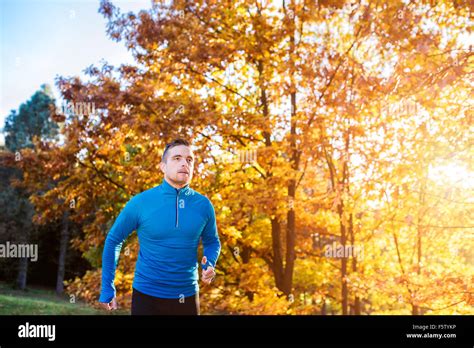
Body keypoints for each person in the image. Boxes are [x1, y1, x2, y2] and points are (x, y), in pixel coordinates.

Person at [98, 138, 221, 315]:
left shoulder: (203, 205)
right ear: (162, 166)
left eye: (189, 160)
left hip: (187, 297)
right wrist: (107, 287)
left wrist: (209, 262)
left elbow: (212, 241)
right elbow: (114, 240)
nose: (184, 163)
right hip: (146, 297)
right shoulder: (141, 202)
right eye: (177, 158)